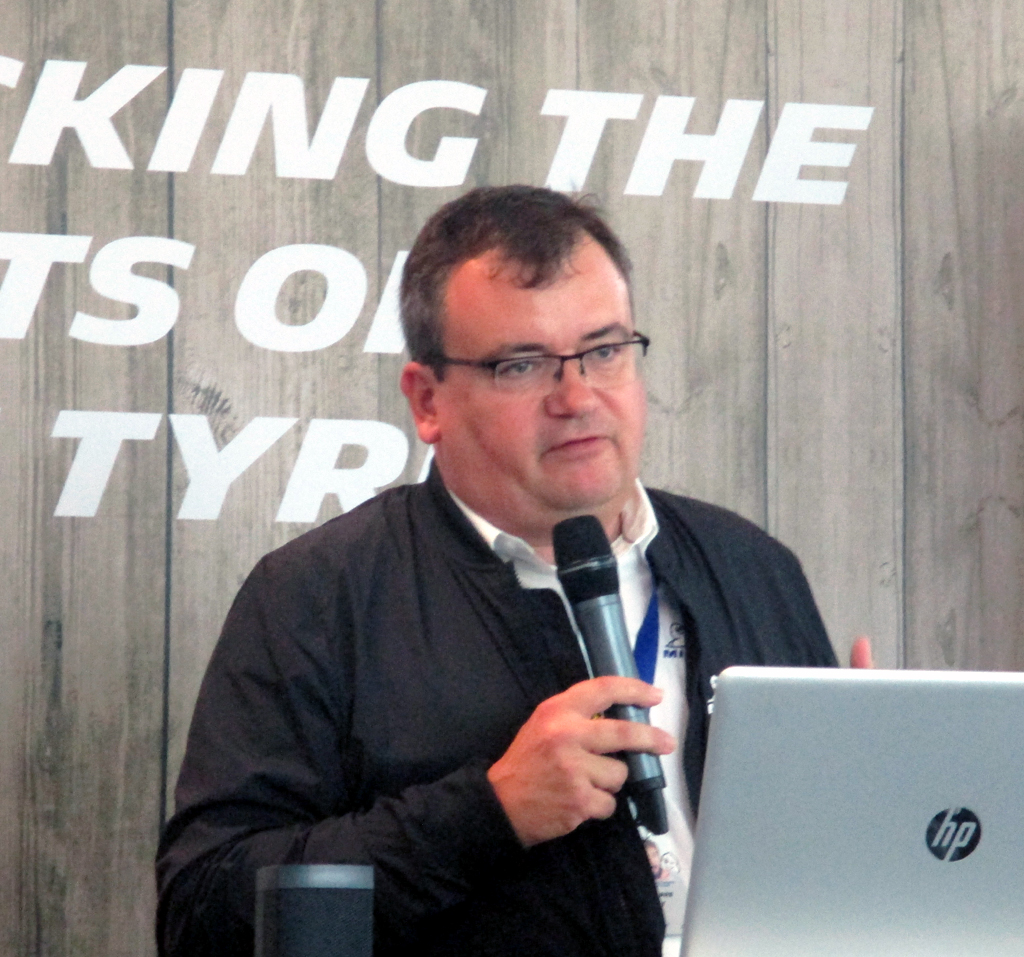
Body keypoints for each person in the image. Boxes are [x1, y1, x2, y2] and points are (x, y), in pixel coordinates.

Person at [155, 185, 845, 957]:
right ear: (427, 400)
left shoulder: (752, 567)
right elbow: (201, 911)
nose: (577, 397)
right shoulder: (316, 597)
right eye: (522, 365)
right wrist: (488, 812)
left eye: (605, 351)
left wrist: (869, 791)